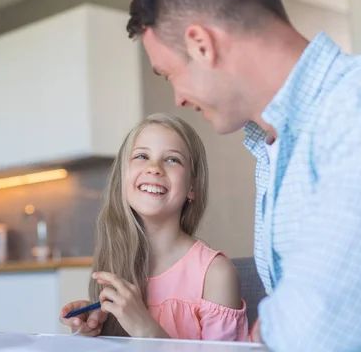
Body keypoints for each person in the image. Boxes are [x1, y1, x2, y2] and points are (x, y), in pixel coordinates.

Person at [123, 0, 361, 352]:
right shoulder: (274, 144)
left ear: (201, 45)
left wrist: (273, 327)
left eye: (170, 75)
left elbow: (314, 333)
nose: (177, 98)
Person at [59, 113, 248, 341]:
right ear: (122, 178)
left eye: (172, 160)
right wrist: (92, 333)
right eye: (141, 156)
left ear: (192, 187)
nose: (154, 168)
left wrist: (145, 329)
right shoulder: (113, 260)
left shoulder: (216, 275)